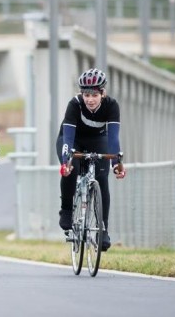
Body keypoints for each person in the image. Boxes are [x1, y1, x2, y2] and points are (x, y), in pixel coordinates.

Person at [56, 68, 125, 252]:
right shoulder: (74, 105)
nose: (90, 99)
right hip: (72, 139)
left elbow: (113, 139)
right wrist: (66, 162)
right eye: (86, 94)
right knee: (73, 168)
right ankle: (67, 210)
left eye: (94, 95)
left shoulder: (111, 106)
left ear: (103, 93)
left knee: (102, 179)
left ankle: (103, 229)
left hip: (97, 140)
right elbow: (68, 138)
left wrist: (116, 163)